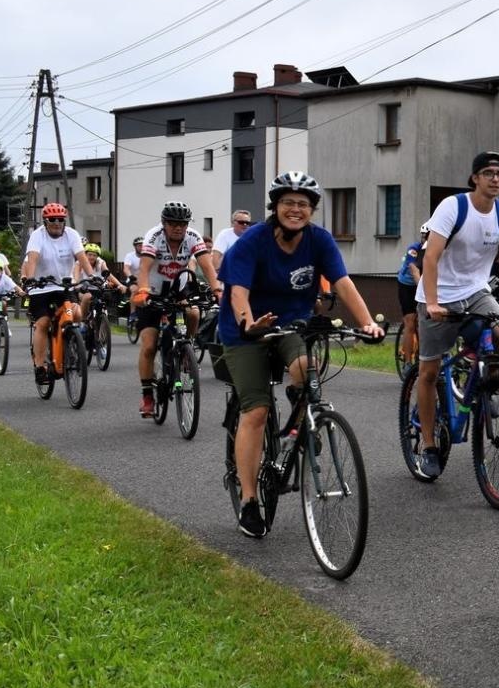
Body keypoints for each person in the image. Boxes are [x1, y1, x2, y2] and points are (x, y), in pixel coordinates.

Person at [218, 172, 383, 538]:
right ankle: (248, 500)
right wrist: (248, 323)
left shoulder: (319, 241)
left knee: (306, 366)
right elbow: (237, 293)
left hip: (293, 324)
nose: (296, 210)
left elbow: (343, 283)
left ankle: (304, 413)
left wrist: (368, 323)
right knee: (257, 411)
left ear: (311, 210)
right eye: (289, 203)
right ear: (275, 207)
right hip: (246, 331)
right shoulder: (253, 242)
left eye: (304, 204)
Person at [414, 151, 499, 480]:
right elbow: (430, 258)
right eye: (488, 173)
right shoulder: (453, 207)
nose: (495, 179)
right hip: (440, 295)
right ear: (474, 178)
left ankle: (488, 383)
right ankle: (429, 446)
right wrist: (431, 302)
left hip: (476, 292)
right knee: (429, 372)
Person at [131, 201, 219, 418]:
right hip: (151, 292)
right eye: (173, 223)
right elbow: (144, 268)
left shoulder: (193, 237)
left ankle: (187, 348)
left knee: (193, 312)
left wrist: (218, 290)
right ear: (164, 223)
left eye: (182, 223)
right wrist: (142, 290)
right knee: (150, 345)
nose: (178, 228)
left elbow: (207, 266)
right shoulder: (154, 236)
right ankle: (148, 396)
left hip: (178, 292)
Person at [20, 203, 94, 384]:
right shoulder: (38, 236)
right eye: (52, 220)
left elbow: (81, 257)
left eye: (60, 220)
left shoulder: (72, 234)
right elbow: (33, 258)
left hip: (64, 286)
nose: (57, 223)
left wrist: (92, 276)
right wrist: (29, 278)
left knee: (75, 313)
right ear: (45, 221)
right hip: (42, 287)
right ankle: (40, 367)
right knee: (43, 323)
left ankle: (69, 342)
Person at [395, 225, 429, 369]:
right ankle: (408, 363)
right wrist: (424, 291)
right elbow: (414, 271)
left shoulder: (438, 248)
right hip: (407, 287)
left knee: (423, 325)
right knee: (410, 323)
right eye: (423, 235)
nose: (424, 238)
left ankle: (423, 360)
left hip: (424, 286)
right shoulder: (414, 249)